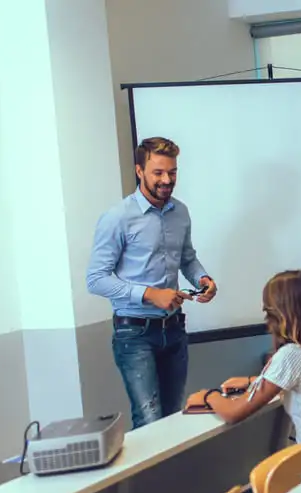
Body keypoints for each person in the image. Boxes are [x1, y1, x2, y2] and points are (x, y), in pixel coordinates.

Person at [87, 137, 216, 429]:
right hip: (134, 335)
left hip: (174, 330)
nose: (167, 180)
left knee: (172, 420)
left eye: (172, 172)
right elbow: (95, 279)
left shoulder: (180, 212)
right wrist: (149, 294)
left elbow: (187, 258)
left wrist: (203, 278)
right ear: (139, 171)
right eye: (158, 172)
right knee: (149, 421)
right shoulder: (117, 217)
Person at [199, 270, 301, 444]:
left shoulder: (292, 355)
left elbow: (233, 412)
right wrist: (253, 380)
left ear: (279, 315)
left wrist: (208, 396)